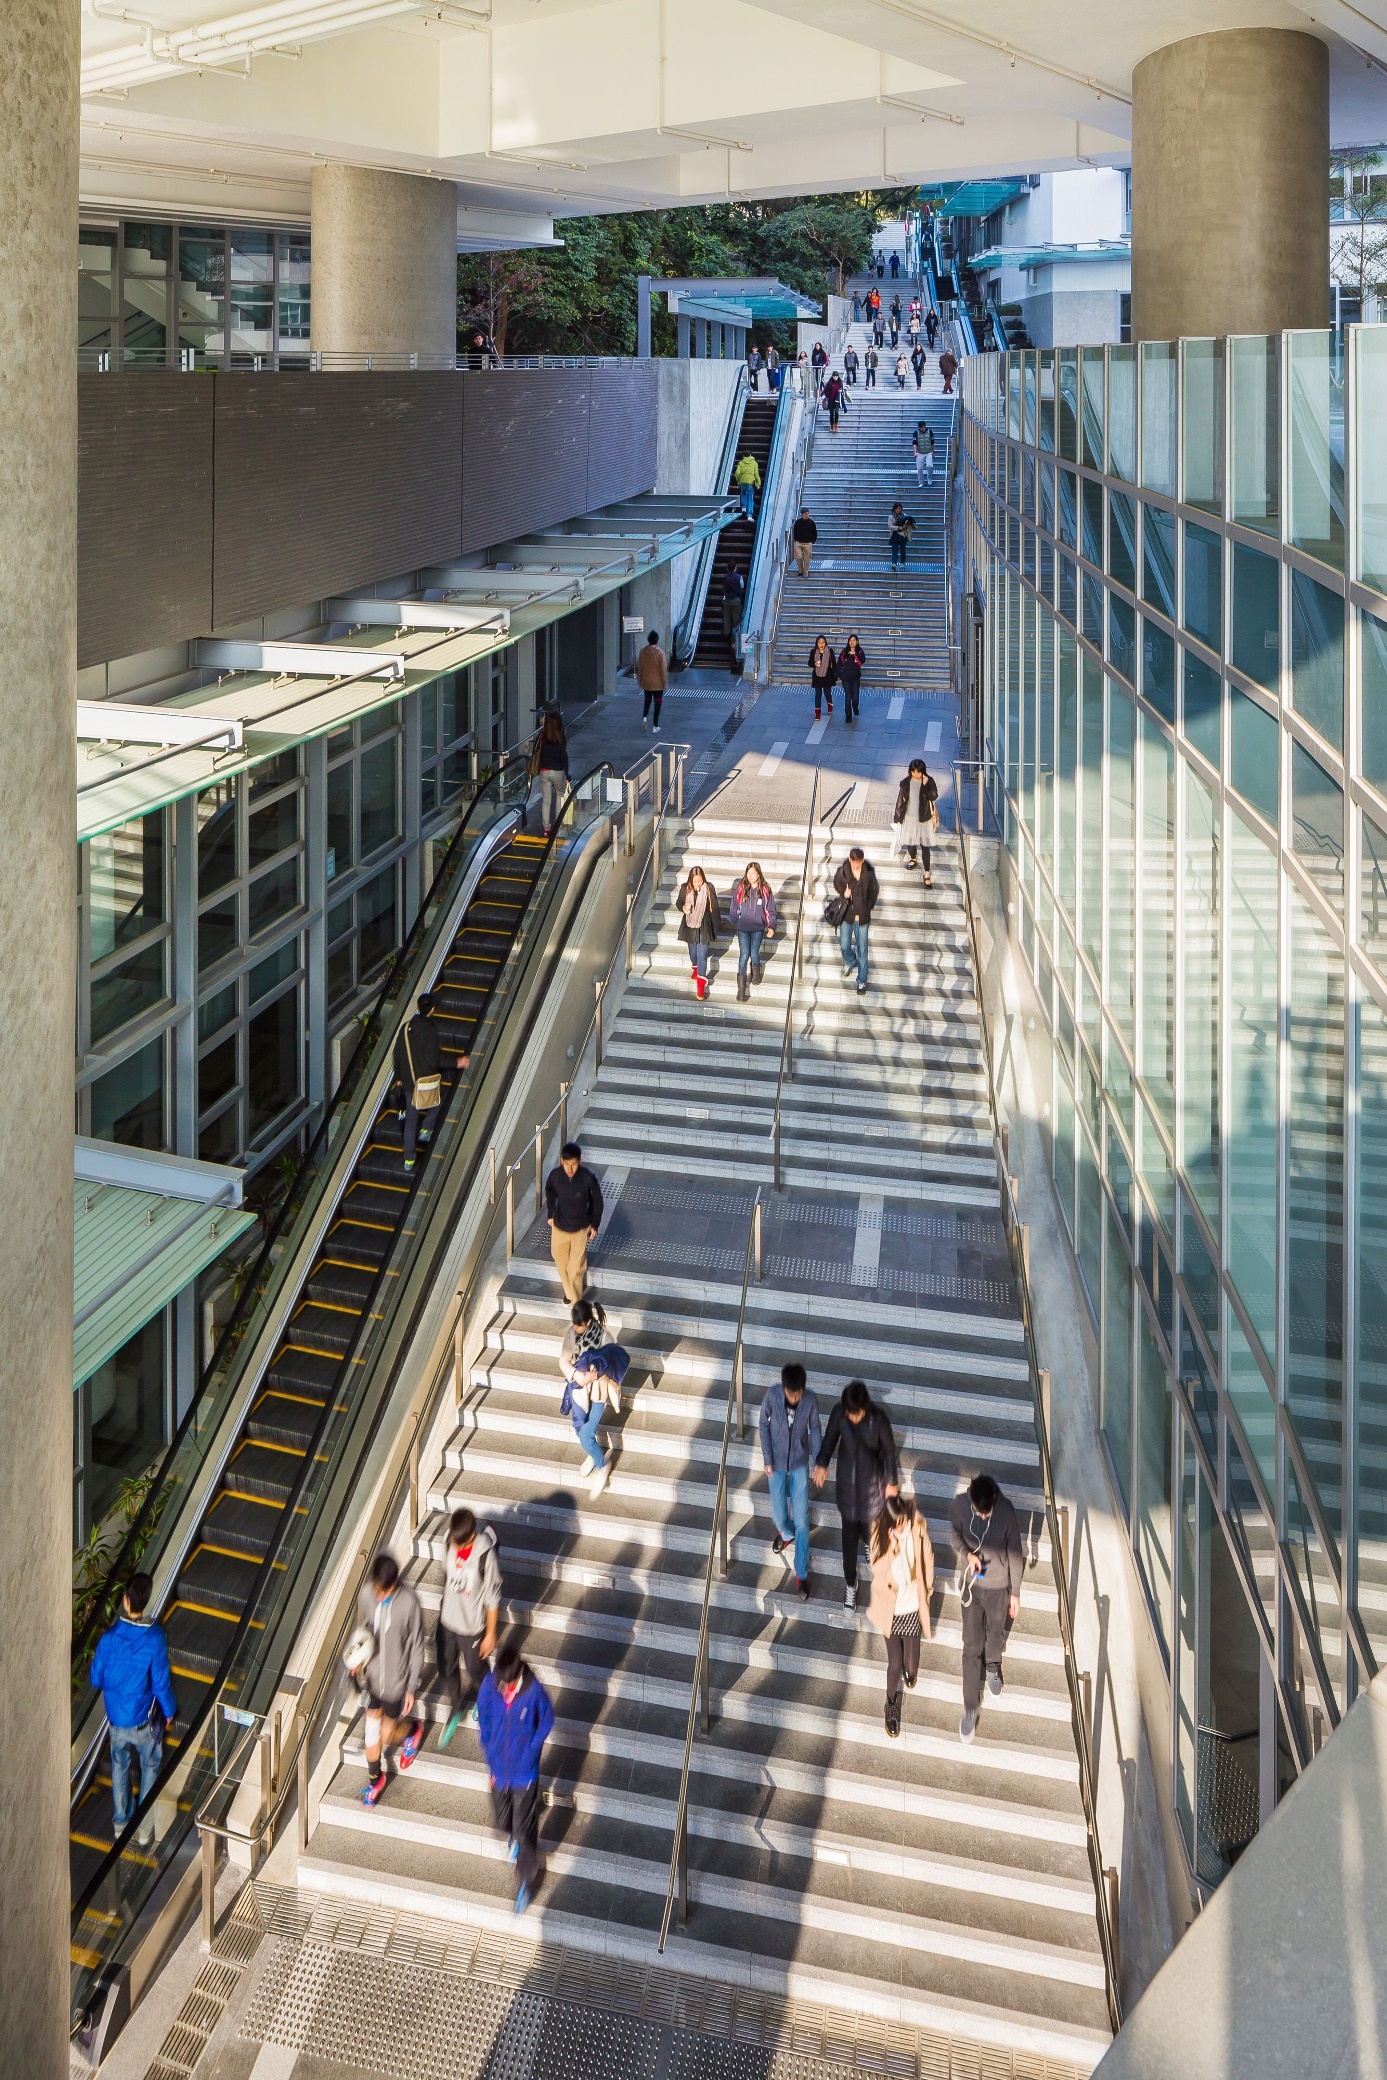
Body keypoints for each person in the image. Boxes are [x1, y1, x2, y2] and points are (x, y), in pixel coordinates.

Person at [90, 1571, 177, 1847]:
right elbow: (161, 1682)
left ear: (126, 1601)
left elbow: (95, 1678)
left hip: (116, 1723)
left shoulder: (108, 1639)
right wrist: (170, 1709)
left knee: (119, 1765)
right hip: (143, 1722)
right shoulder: (155, 1638)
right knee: (150, 1766)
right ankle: (142, 1831)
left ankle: (119, 1824)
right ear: (144, 1601)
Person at [476, 1642, 554, 1915]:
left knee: (524, 1826)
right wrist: (487, 1744)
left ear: (519, 1673)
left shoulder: (534, 1692)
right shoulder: (490, 1683)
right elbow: (483, 1713)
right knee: (502, 1820)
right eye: (502, 1684)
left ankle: (526, 1880)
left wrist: (532, 1749)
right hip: (498, 1768)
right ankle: (516, 1841)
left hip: (525, 1773)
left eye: (509, 1685)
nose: (505, 1689)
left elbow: (547, 1720)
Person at [950, 1472, 1024, 1743]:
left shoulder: (1005, 1511)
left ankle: (993, 1665)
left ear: (993, 1497)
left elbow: (1016, 1552)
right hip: (972, 1586)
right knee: (970, 1647)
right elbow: (955, 1534)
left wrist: (1015, 1592)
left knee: (994, 1635)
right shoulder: (960, 1504)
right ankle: (970, 1707)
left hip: (997, 1588)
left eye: (986, 1513)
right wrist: (967, 1554)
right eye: (977, 1512)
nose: (981, 1517)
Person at [812, 1379, 898, 1611]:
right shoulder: (840, 1413)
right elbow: (829, 1439)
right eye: (849, 1414)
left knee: (871, 1536)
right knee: (848, 1550)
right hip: (848, 1494)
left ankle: (870, 1546)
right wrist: (821, 1463)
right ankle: (851, 1585)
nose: (852, 1418)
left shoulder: (878, 1419)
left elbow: (890, 1453)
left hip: (872, 1493)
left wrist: (891, 1483)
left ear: (865, 1408)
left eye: (856, 1414)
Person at [357, 1550, 426, 1806]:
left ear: (394, 1585)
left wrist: (411, 1687)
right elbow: (362, 1629)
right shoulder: (366, 1595)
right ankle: (376, 1780)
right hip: (373, 1679)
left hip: (397, 1683)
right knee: (372, 1735)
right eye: (377, 1589)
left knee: (387, 1734)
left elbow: (417, 1646)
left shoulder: (409, 1604)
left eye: (384, 1591)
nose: (379, 1595)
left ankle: (413, 1728)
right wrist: (357, 1658)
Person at [868, 1495, 934, 1737]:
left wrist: (927, 1591)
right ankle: (890, 1704)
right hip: (891, 1608)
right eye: (898, 1525)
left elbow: (927, 1560)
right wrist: (891, 1546)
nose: (902, 1527)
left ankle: (910, 1674)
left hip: (913, 1606)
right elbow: (877, 1570)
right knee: (895, 1663)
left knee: (911, 1669)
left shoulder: (917, 1529)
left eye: (904, 1521)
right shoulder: (880, 1534)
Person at [437, 1507, 501, 1748]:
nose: (457, 1546)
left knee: (476, 1669)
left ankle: (487, 1700)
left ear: (473, 1534)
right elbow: (447, 1576)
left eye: (462, 1543)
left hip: (472, 1625)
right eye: (455, 1541)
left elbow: (492, 1597)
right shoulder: (448, 1541)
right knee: (445, 1668)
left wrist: (491, 1633)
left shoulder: (485, 1555)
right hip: (447, 1621)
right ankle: (456, 1706)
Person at [759, 1360, 821, 1598]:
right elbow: (763, 1424)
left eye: (798, 1395)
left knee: (802, 1520)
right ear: (784, 1388)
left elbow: (815, 1429)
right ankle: (786, 1534)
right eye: (790, 1394)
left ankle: (801, 1574)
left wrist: (818, 1460)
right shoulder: (773, 1395)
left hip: (798, 1464)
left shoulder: (810, 1400)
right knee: (779, 1515)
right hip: (775, 1464)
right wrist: (767, 1457)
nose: (794, 1399)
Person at [394, 992, 464, 1173]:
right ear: (432, 1009)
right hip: (426, 1078)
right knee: (437, 1100)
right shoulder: (430, 1030)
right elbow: (434, 1059)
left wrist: (399, 1077)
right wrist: (457, 1062)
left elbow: (397, 1053)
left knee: (411, 1118)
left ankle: (408, 1160)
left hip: (409, 1081)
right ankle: (426, 1129)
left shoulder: (405, 1027)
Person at [544, 1140, 603, 1303]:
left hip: (580, 1228)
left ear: (580, 1162)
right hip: (560, 1227)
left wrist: (595, 1224)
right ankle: (570, 1293)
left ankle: (576, 1304)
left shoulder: (587, 1178)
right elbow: (549, 1191)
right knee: (559, 1259)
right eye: (567, 1164)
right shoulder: (556, 1176)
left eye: (574, 1164)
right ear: (562, 1161)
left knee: (575, 1267)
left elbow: (597, 1201)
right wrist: (550, 1213)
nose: (570, 1169)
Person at [727, 859, 777, 1000]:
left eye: (753, 873)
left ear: (759, 875)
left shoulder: (764, 890)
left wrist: (771, 926)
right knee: (744, 955)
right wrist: (735, 919)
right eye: (748, 873)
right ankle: (741, 989)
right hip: (743, 927)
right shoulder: (741, 888)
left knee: (754, 953)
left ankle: (756, 973)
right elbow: (734, 906)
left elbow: (770, 910)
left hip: (757, 928)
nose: (751, 876)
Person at [833, 845, 879, 996]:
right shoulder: (844, 871)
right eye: (854, 862)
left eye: (858, 862)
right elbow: (836, 882)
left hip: (863, 917)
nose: (856, 865)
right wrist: (843, 892)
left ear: (862, 860)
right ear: (850, 859)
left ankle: (862, 980)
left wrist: (869, 906)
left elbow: (874, 889)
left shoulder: (869, 873)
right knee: (844, 944)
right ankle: (849, 960)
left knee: (863, 949)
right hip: (847, 915)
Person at [677, 863, 721, 1001]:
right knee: (693, 953)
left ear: (703, 879)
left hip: (705, 924)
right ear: (690, 880)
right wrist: (683, 907)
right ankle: (695, 969)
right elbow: (679, 902)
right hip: (690, 925)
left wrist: (716, 927)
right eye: (695, 881)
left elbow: (715, 907)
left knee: (702, 954)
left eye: (700, 880)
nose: (697, 883)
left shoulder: (708, 888)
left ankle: (700, 985)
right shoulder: (685, 888)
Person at [892, 758, 940, 882]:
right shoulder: (905, 783)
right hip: (909, 817)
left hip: (924, 818)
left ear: (923, 771)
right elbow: (899, 801)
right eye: (913, 772)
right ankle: (913, 857)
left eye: (918, 772)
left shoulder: (929, 781)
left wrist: (924, 786)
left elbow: (934, 796)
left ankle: (927, 872)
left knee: (925, 846)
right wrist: (898, 817)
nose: (916, 774)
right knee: (911, 842)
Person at [527, 708, 569, 836]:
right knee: (559, 795)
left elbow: (535, 751)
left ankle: (546, 829)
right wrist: (568, 775)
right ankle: (559, 824)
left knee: (546, 800)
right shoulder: (561, 737)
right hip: (557, 771)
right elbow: (564, 757)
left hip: (544, 771)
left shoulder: (541, 736)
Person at [635, 628, 668, 734]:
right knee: (657, 703)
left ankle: (644, 717)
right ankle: (655, 725)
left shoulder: (642, 652)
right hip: (657, 683)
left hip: (646, 682)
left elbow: (640, 667)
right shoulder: (660, 653)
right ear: (657, 640)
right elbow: (663, 670)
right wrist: (665, 684)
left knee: (647, 700)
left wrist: (640, 680)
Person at [836, 634, 865, 725]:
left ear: (857, 642)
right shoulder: (844, 652)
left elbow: (862, 660)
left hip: (855, 678)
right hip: (846, 679)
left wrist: (855, 654)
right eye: (850, 640)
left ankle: (855, 707)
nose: (852, 642)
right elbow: (839, 664)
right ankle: (848, 716)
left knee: (855, 698)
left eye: (854, 640)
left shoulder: (859, 652)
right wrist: (840, 675)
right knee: (848, 697)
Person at [808, 634, 837, 722]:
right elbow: (809, 663)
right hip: (817, 676)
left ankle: (829, 703)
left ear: (825, 643)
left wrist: (835, 675)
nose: (821, 645)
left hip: (827, 676)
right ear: (817, 643)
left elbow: (834, 664)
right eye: (819, 643)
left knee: (827, 693)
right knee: (818, 694)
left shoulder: (830, 651)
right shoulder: (813, 652)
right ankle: (817, 712)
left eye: (823, 642)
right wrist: (815, 664)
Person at [732, 447, 761, 520]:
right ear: (750, 455)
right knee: (750, 498)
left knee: (743, 494)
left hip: (742, 482)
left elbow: (737, 473)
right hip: (750, 483)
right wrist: (758, 484)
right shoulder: (754, 463)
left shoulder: (740, 463)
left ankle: (743, 507)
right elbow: (756, 474)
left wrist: (738, 480)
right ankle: (749, 515)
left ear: (743, 456)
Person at [721, 564, 747, 646]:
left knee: (727, 617)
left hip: (726, 599)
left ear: (727, 568)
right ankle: (735, 635)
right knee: (736, 617)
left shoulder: (725, 577)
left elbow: (724, 587)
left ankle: (726, 633)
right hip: (735, 599)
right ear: (735, 568)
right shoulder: (739, 577)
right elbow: (742, 586)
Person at [888, 502, 916, 569]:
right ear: (895, 509)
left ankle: (902, 563)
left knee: (903, 550)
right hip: (894, 535)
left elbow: (908, 523)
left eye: (901, 509)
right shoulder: (891, 517)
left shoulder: (904, 516)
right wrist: (898, 528)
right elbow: (890, 526)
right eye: (899, 508)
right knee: (894, 550)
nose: (900, 510)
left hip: (903, 535)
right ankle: (894, 563)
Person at [791, 506, 817, 578]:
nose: (807, 515)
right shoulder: (797, 523)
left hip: (808, 543)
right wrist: (796, 540)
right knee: (798, 557)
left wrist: (812, 542)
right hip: (799, 542)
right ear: (801, 514)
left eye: (807, 514)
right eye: (805, 514)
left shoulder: (811, 523)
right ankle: (800, 570)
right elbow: (795, 532)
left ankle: (805, 573)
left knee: (806, 559)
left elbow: (814, 533)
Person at [913, 423, 935, 488]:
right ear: (919, 428)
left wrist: (933, 452)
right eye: (921, 427)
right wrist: (915, 452)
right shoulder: (916, 433)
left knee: (930, 465)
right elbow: (914, 443)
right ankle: (921, 482)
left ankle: (929, 478)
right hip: (920, 452)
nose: (923, 429)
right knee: (919, 468)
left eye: (924, 427)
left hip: (928, 452)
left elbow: (932, 443)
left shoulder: (930, 432)